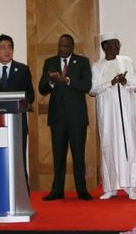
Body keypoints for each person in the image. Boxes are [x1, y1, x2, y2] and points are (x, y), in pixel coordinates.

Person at [38, 34, 93, 201]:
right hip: (58, 118)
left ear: (72, 47)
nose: (62, 49)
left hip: (77, 118)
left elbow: (87, 85)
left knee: (78, 155)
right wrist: (53, 82)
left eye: (66, 46)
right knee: (58, 156)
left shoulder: (82, 62)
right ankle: (57, 190)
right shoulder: (50, 62)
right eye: (60, 46)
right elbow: (42, 88)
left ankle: (82, 190)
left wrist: (67, 80)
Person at [0, 34, 35, 192]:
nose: (7, 50)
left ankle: (22, 190)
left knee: (18, 157)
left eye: (9, 47)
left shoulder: (22, 69)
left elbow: (30, 94)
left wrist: (24, 102)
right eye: (2, 47)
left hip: (17, 120)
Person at [89, 32, 136, 200]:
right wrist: (110, 82)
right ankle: (110, 187)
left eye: (118, 44)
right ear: (104, 47)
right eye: (112, 44)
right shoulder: (97, 66)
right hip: (107, 113)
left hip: (125, 112)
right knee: (108, 146)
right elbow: (93, 90)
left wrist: (125, 82)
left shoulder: (127, 61)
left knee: (129, 146)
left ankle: (130, 186)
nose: (116, 47)